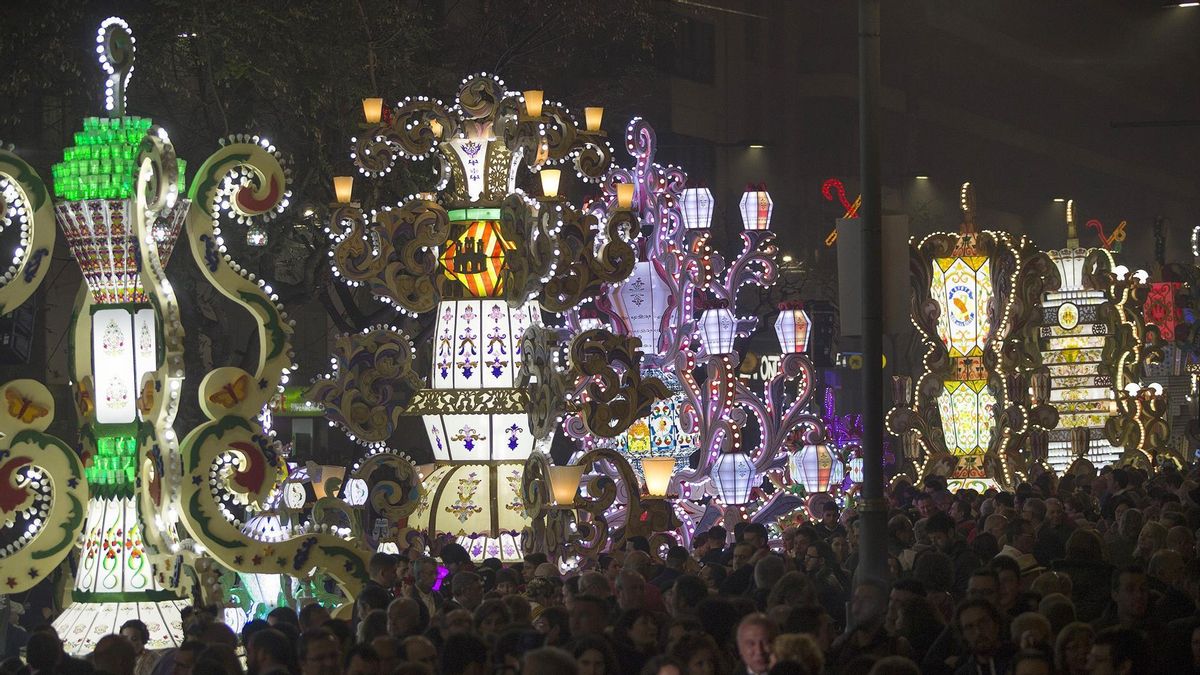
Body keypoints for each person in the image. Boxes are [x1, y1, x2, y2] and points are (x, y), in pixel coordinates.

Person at [953, 599, 1014, 675]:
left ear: (996, 624)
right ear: (963, 635)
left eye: (983, 623)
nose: (978, 632)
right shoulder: (963, 673)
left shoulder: (1020, 661)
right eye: (969, 627)